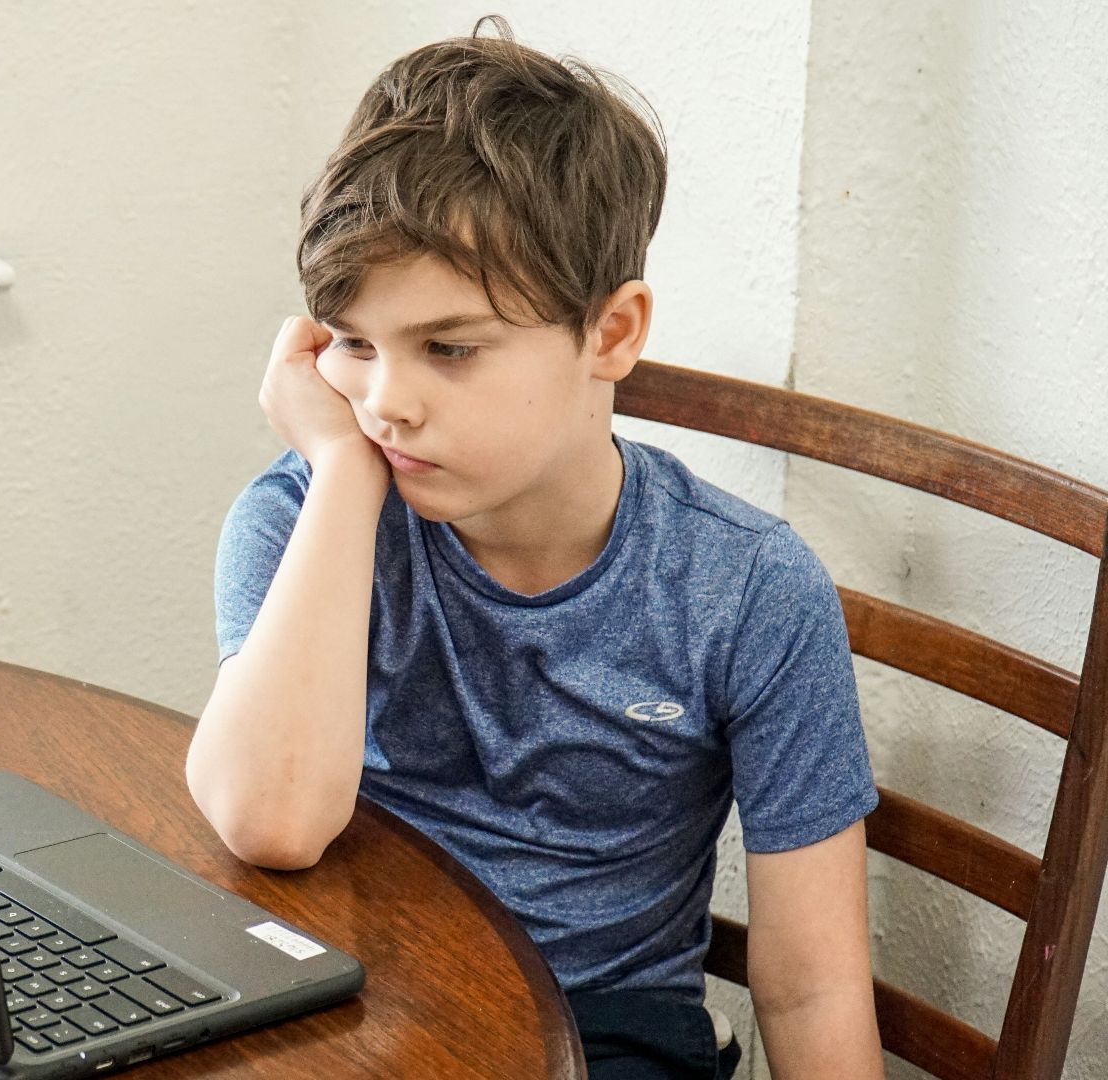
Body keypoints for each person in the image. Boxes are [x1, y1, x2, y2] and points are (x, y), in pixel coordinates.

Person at [186, 16, 883, 1080]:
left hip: (598, 1035)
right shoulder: (303, 516)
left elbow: (813, 986)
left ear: (611, 335)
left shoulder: (746, 590)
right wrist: (338, 479)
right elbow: (269, 821)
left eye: (448, 349)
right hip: (344, 1006)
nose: (386, 404)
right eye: (358, 347)